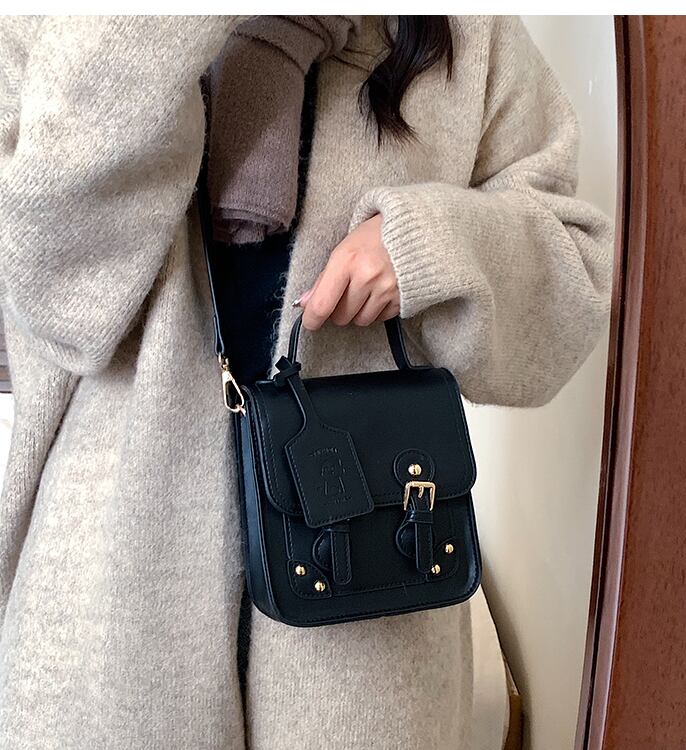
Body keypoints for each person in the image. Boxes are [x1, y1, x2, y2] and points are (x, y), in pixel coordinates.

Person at [0, 16, 612, 750]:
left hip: (370, 625)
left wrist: (433, 245)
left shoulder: (470, 37)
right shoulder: (55, 22)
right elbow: (50, 299)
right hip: (106, 615)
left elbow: (572, 294)